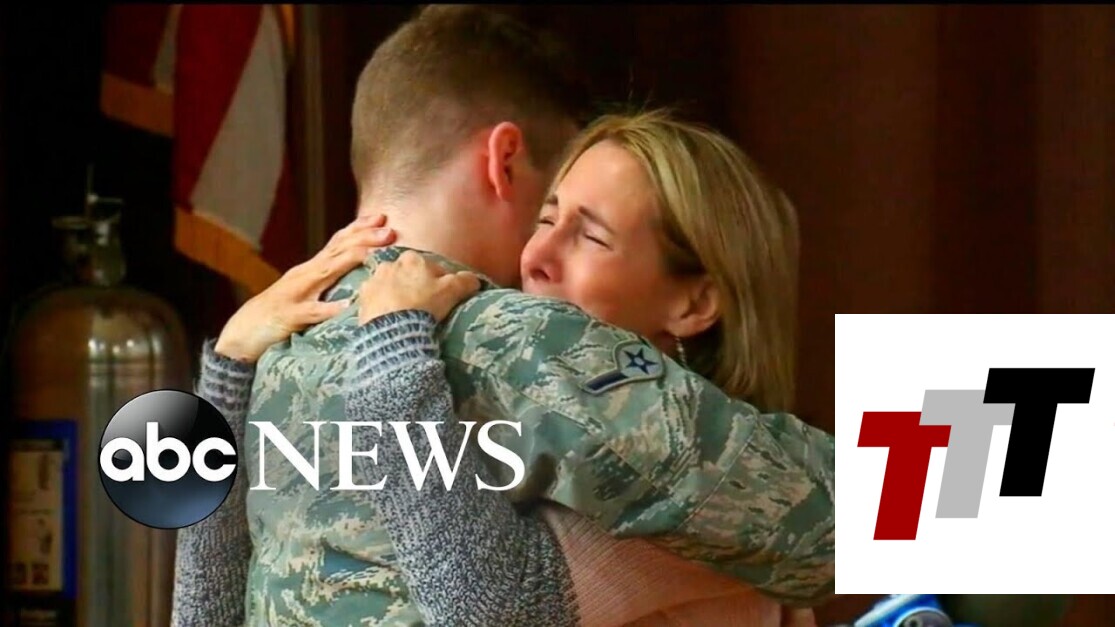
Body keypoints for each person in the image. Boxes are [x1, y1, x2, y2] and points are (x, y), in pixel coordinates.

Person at [172, 6, 834, 626]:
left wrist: (231, 373)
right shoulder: (512, 340)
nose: (535, 256)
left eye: (591, 235)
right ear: (505, 159)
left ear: (695, 301)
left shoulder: (283, 344)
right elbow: (890, 503)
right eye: (545, 214)